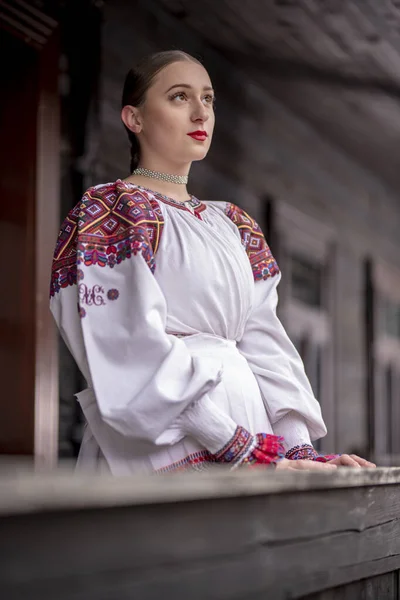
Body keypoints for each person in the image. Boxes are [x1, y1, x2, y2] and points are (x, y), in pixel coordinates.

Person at [50, 50, 375, 475]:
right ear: (134, 118)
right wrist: (239, 449)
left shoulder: (233, 223)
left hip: (252, 437)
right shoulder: (113, 210)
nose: (201, 113)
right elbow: (128, 342)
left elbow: (266, 344)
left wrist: (298, 453)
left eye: (209, 99)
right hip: (169, 443)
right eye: (180, 97)